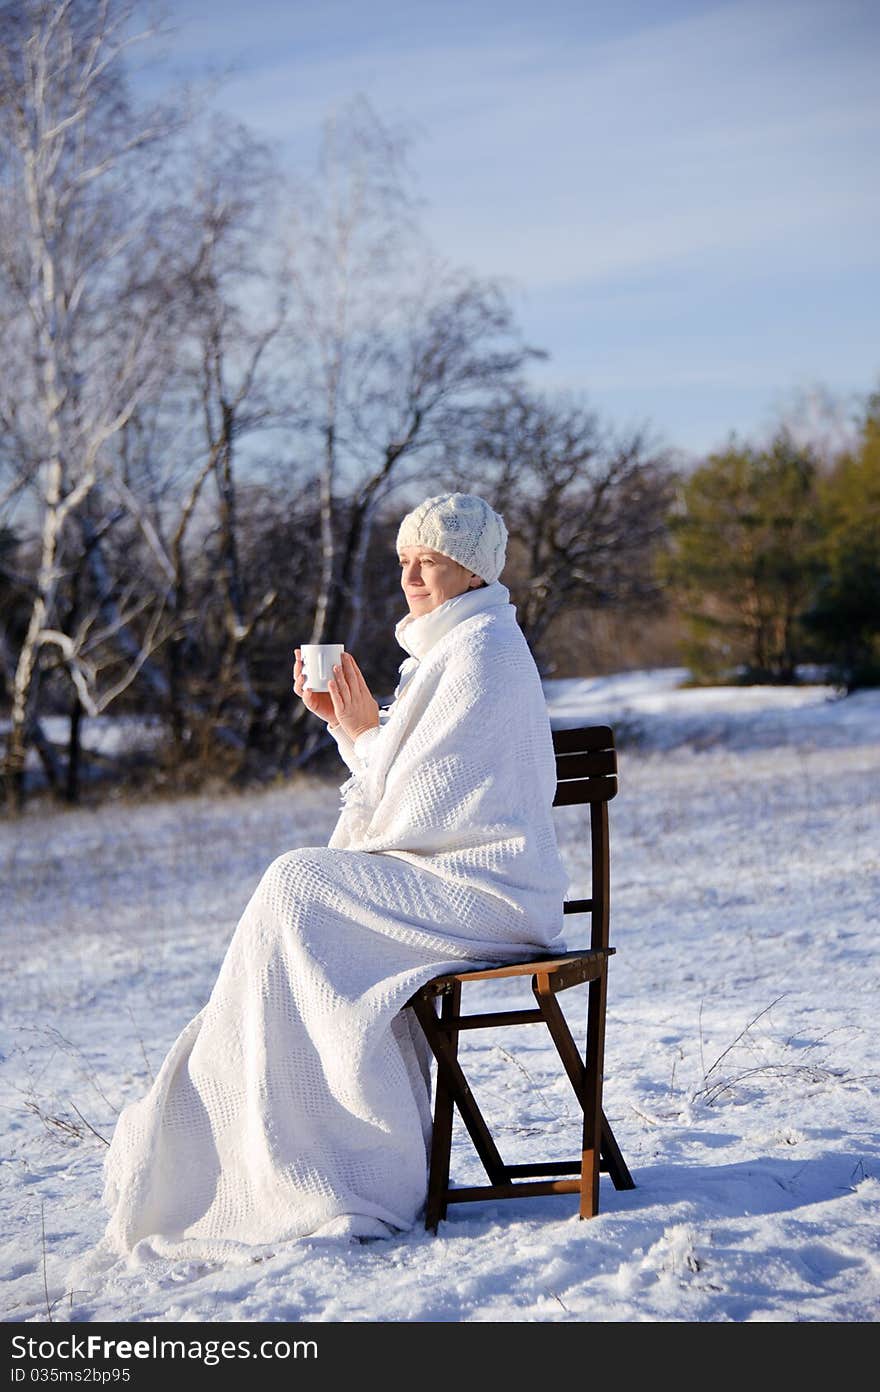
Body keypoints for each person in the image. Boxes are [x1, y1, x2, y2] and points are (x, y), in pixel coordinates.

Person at [100, 492, 569, 1260]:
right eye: (406, 562)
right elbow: (422, 786)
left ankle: (346, 1164)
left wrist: (362, 735)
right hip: (455, 880)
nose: (413, 577)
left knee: (300, 885)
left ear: (473, 570)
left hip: (487, 892)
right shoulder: (447, 650)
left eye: (432, 562)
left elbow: (429, 805)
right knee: (299, 901)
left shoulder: (481, 650)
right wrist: (355, 730)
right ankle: (277, 1140)